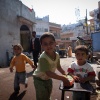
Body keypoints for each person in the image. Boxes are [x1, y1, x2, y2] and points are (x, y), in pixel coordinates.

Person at [33, 32, 70, 100]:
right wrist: (62, 78)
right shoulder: (43, 58)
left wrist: (65, 74)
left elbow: (58, 67)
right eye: (45, 44)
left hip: (48, 78)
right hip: (39, 79)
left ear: (55, 43)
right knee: (42, 96)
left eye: (51, 43)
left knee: (48, 93)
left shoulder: (57, 55)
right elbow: (48, 72)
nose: (49, 46)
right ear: (42, 46)